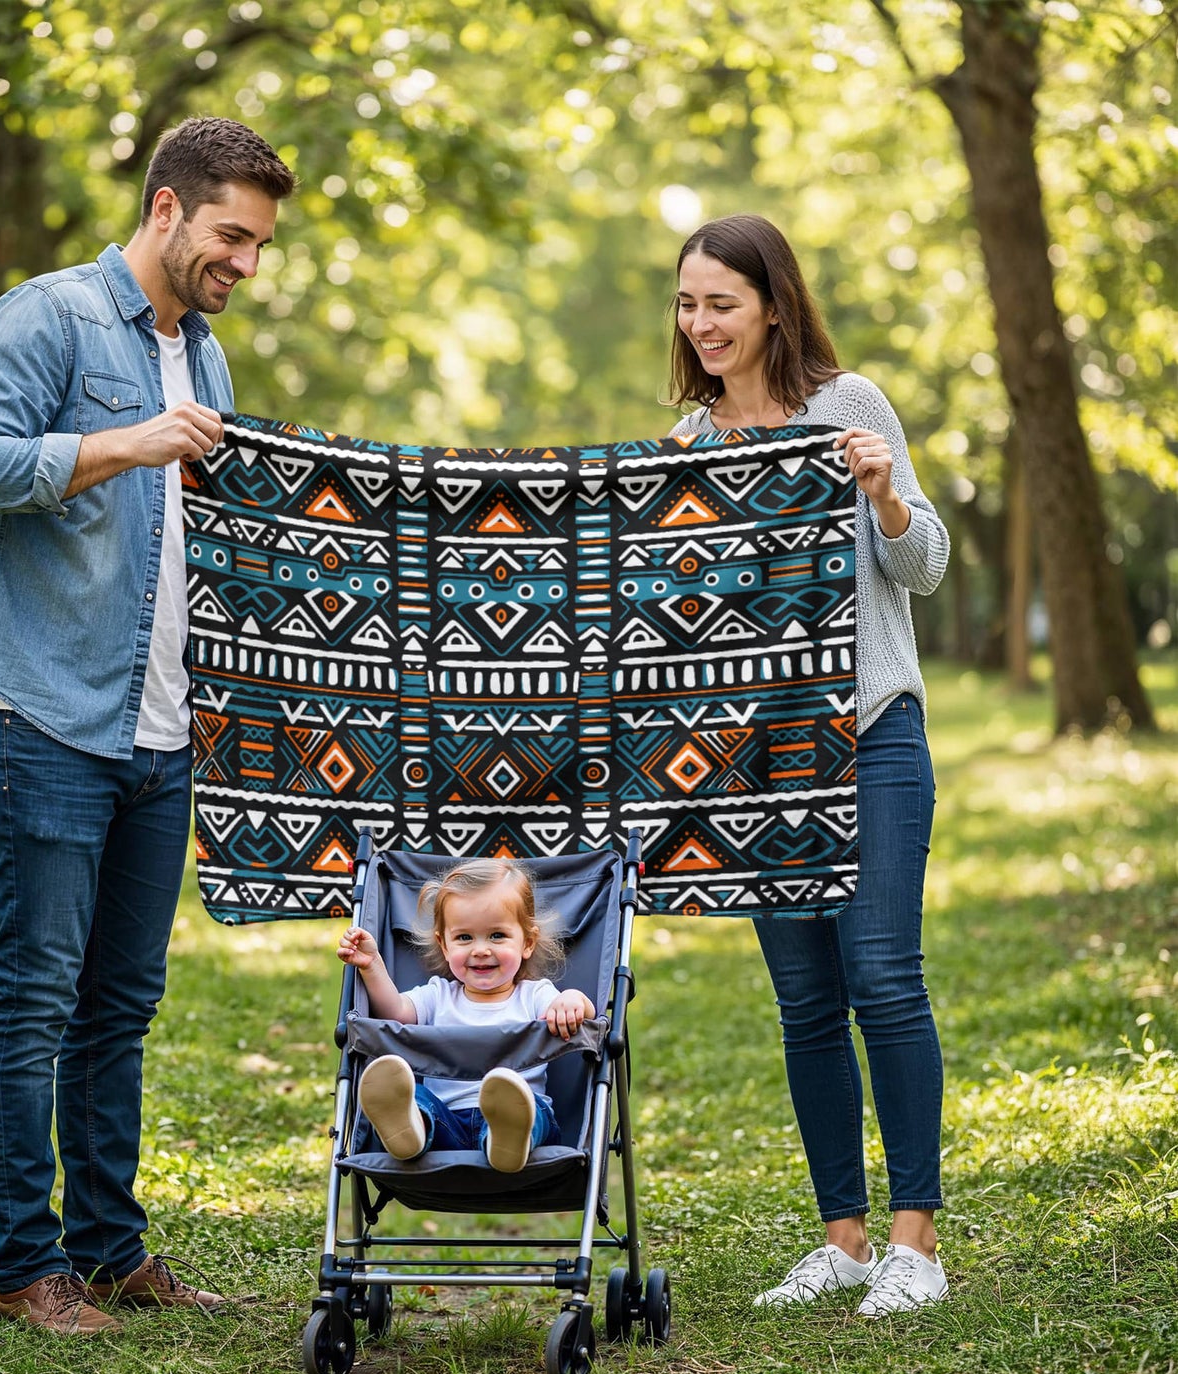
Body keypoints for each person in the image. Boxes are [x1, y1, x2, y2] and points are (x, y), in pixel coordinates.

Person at [0, 118, 296, 1334]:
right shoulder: (46, 318)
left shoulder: (210, 359)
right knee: (34, 988)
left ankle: (109, 1248)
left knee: (121, 1001)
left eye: (258, 245)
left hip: (161, 724)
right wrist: (120, 442)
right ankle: (26, 1267)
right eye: (230, 235)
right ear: (165, 210)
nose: (243, 261)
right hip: (41, 705)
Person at [666, 215, 951, 1317]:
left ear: (772, 304)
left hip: (870, 731)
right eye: (688, 306)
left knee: (881, 974)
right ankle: (838, 1240)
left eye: (721, 304)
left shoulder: (851, 406)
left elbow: (920, 564)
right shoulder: (685, 455)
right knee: (802, 1000)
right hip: (755, 763)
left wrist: (882, 492)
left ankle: (912, 1243)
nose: (701, 327)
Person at [337, 858, 595, 1173]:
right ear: (443, 945)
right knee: (417, 1098)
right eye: (464, 938)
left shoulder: (536, 995)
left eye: (497, 935)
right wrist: (372, 964)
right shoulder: (437, 994)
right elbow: (397, 1015)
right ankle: (411, 1129)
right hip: (448, 1123)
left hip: (523, 1119)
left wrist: (573, 999)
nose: (480, 949)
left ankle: (506, 1138)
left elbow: (583, 1012)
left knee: (533, 1109)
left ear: (527, 942)